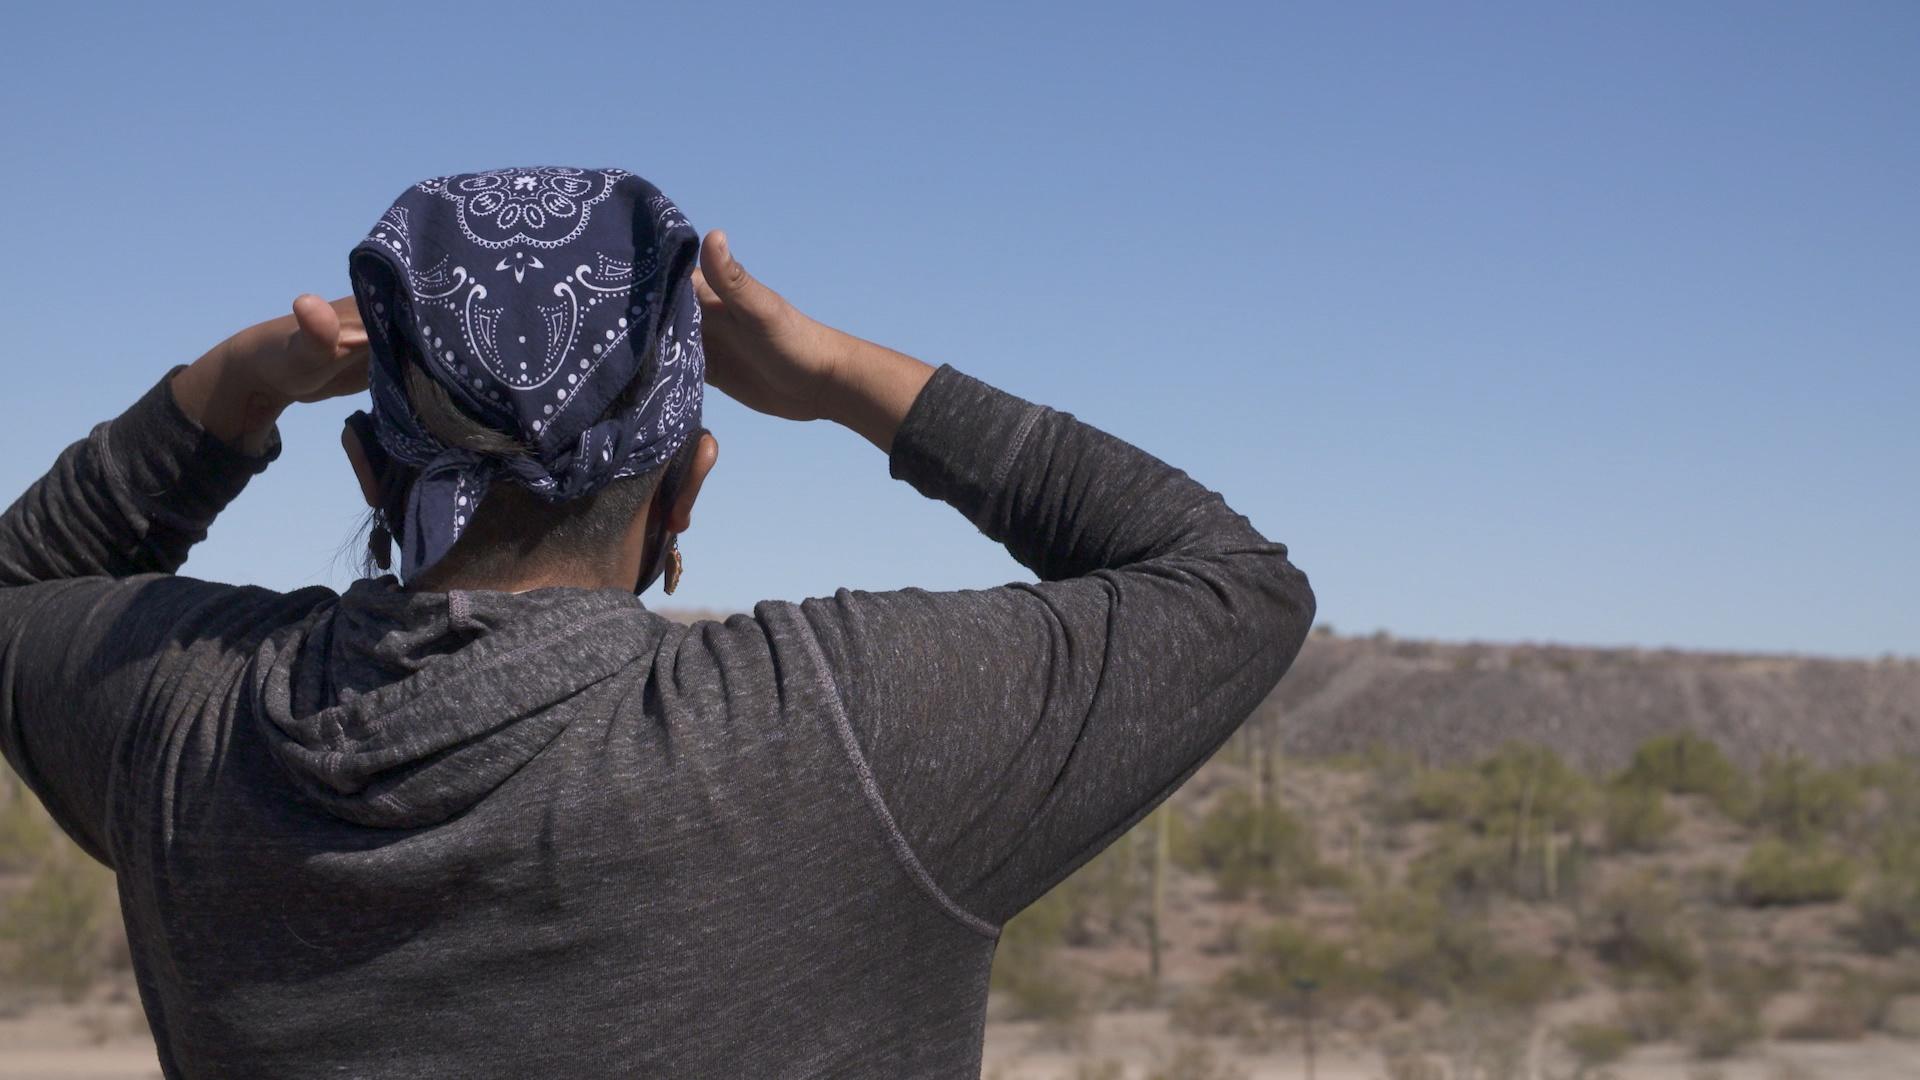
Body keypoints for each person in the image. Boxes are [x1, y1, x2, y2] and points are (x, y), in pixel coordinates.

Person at [0, 165, 1316, 1079]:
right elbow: (1228, 585)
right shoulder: (835, 737)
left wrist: (227, 389)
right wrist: (842, 377)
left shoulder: (178, 720)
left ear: (369, 473)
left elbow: (21, 592)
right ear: (686, 483)